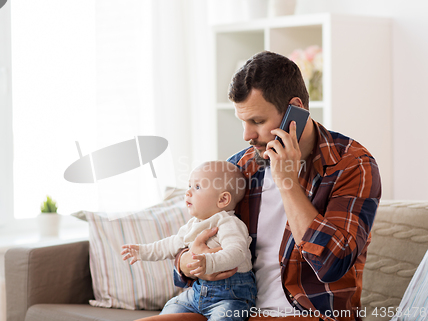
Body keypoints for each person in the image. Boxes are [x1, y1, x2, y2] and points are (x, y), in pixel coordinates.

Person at [138, 51, 381, 321]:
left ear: (296, 111)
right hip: (233, 309)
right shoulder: (240, 167)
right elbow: (193, 239)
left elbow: (331, 264)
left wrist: (287, 182)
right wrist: (186, 263)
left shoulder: (351, 165)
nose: (247, 135)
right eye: (243, 122)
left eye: (258, 121)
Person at [122, 160, 256, 321]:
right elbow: (172, 243)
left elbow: (237, 252)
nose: (188, 192)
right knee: (173, 307)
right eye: (189, 186)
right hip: (198, 293)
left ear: (222, 200)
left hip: (231, 296)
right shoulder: (194, 224)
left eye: (197, 187)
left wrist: (208, 262)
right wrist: (143, 251)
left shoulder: (228, 223)